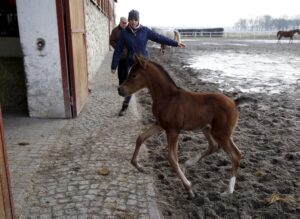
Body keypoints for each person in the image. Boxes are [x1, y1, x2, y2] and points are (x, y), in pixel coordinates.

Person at [111, 9, 185, 116]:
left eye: (135, 19)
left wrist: (176, 43)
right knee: (131, 84)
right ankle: (125, 106)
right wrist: (114, 65)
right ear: (129, 20)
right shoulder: (124, 33)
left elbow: (159, 38)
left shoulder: (145, 30)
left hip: (145, 64)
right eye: (131, 20)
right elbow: (118, 49)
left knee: (153, 86)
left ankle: (161, 106)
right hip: (132, 64)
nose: (133, 22)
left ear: (138, 20)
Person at [109, 17, 130, 116]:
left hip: (128, 56)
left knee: (126, 71)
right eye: (123, 23)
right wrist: (117, 47)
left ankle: (124, 85)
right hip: (120, 55)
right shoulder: (115, 31)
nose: (124, 24)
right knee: (120, 71)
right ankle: (121, 82)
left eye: (126, 23)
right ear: (120, 22)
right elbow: (111, 41)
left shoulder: (128, 30)